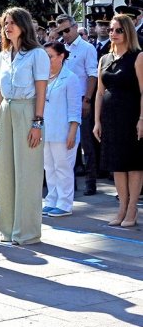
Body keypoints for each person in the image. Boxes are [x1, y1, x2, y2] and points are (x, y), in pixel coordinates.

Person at [0, 7, 50, 245]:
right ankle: (8, 229)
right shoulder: (3, 54)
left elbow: (42, 90)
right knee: (5, 172)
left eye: (12, 22)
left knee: (27, 172)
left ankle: (27, 231)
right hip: (6, 110)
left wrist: (37, 122)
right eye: (5, 23)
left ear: (24, 25)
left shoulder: (37, 54)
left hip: (28, 109)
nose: (7, 27)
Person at [93, 14, 143, 227]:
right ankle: (121, 207)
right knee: (117, 165)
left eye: (118, 30)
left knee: (133, 164)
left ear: (128, 32)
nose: (113, 33)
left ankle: (132, 208)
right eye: (111, 30)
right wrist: (97, 121)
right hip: (110, 118)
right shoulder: (104, 59)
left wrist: (142, 118)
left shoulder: (138, 57)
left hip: (131, 116)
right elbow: (99, 92)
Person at [56, 14, 98, 196]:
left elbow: (92, 75)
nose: (64, 34)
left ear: (75, 27)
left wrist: (87, 99)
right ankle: (69, 184)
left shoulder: (86, 48)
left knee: (86, 144)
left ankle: (91, 182)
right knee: (66, 143)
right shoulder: (59, 47)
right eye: (61, 31)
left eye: (66, 30)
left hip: (81, 99)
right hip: (61, 101)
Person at [42, 41, 81, 217]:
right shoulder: (42, 77)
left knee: (63, 168)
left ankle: (65, 203)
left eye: (50, 56)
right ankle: (51, 200)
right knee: (49, 167)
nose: (47, 60)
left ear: (61, 56)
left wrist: (72, 131)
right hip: (46, 131)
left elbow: (75, 109)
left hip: (63, 132)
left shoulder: (70, 78)